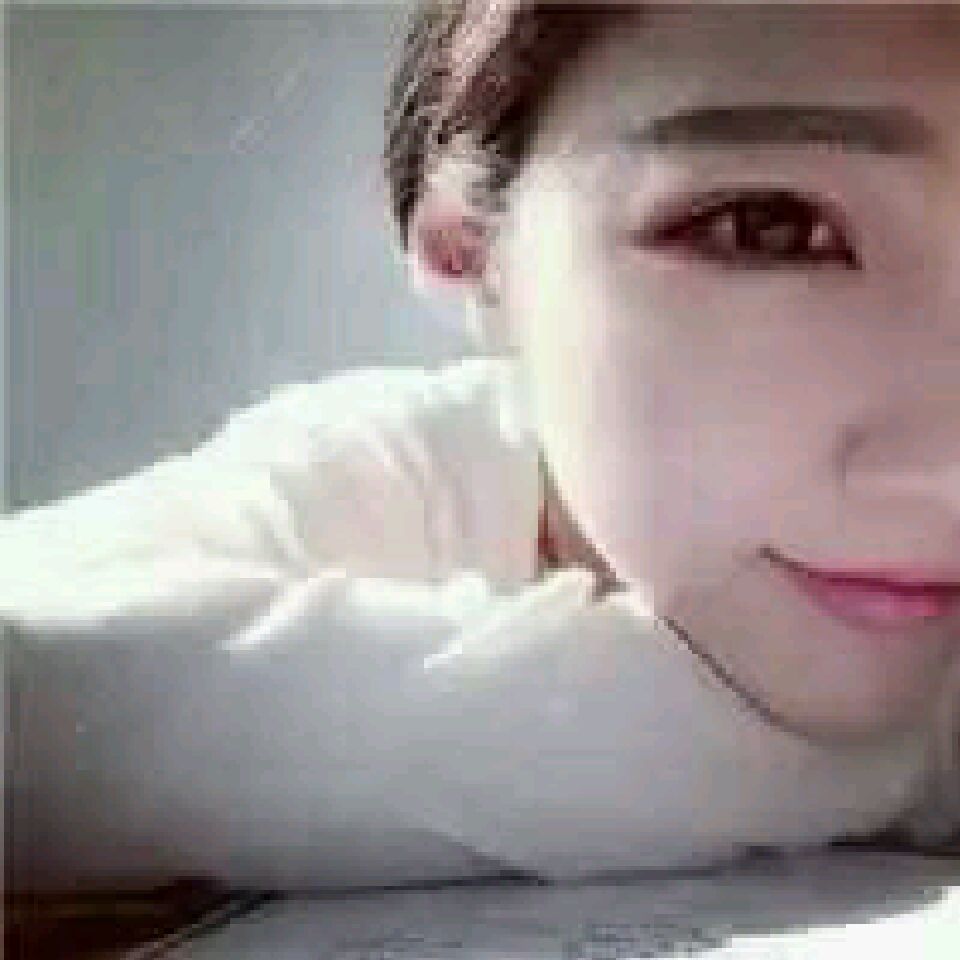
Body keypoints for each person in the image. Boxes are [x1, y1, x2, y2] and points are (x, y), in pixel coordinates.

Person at [4, 1, 959, 888]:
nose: (945, 472)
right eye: (769, 229)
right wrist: (875, 768)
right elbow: (33, 691)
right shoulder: (401, 473)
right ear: (471, 253)